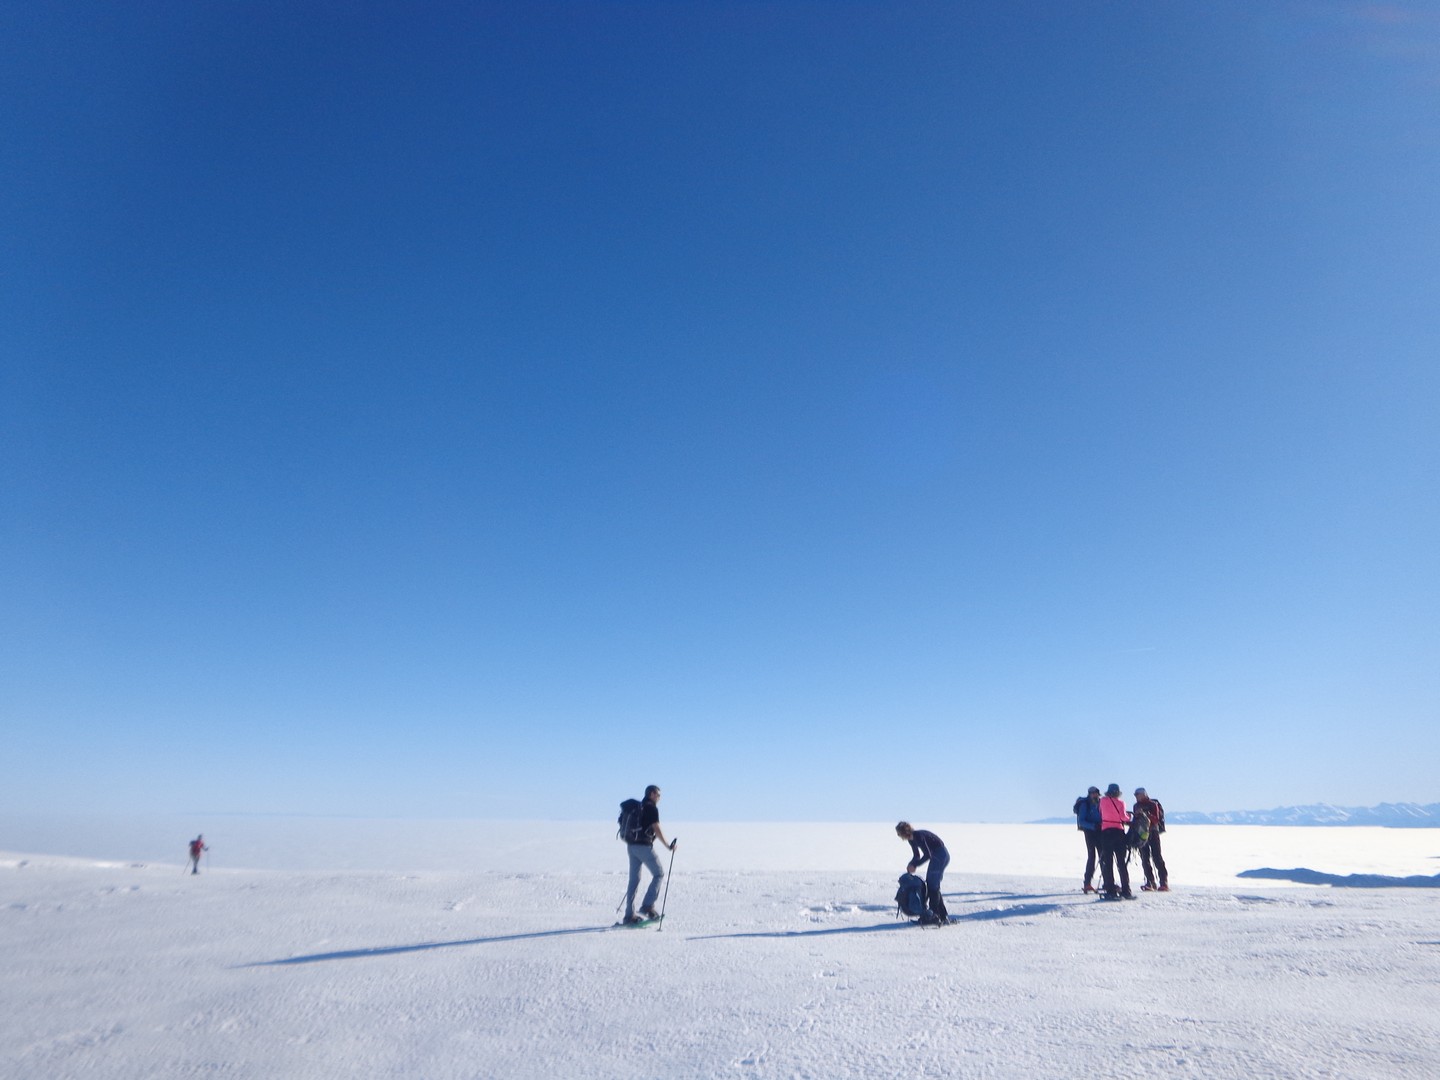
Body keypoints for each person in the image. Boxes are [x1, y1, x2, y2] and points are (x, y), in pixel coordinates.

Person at [623, 785, 675, 924]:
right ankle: (647, 906)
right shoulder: (651, 808)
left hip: (631, 846)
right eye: (658, 795)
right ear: (651, 794)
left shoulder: (638, 807)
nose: (659, 798)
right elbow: (656, 828)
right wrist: (668, 845)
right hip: (643, 847)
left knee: (634, 880)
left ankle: (629, 915)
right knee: (659, 874)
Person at [895, 822, 949, 924]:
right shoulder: (911, 840)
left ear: (904, 832)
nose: (899, 836)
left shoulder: (918, 836)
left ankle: (934, 916)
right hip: (937, 855)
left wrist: (915, 865)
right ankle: (941, 916)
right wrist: (911, 864)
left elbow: (928, 854)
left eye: (899, 834)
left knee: (932, 885)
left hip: (940, 855)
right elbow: (917, 855)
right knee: (932, 885)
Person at [1097, 784, 1134, 899]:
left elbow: (1100, 813)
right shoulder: (1121, 803)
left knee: (1108, 863)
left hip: (1106, 833)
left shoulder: (1102, 801)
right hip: (1119, 833)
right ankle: (1126, 890)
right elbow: (1124, 818)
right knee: (1121, 863)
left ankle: (1110, 890)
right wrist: (1129, 817)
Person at [1132, 787, 1169, 891]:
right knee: (1145, 857)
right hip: (1142, 833)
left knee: (1157, 856)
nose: (1136, 797)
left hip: (1153, 832)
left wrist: (1145, 814)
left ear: (1143, 794)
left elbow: (1156, 819)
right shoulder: (1136, 806)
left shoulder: (1153, 804)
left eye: (1137, 795)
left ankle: (1163, 882)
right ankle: (1150, 882)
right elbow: (1135, 820)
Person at [1073, 787, 1102, 893]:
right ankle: (1087, 883)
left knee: (1102, 856)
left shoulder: (1100, 803)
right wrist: (1094, 826)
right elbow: (1081, 821)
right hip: (1090, 832)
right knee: (1092, 856)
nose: (1094, 795)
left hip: (1099, 831)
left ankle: (1107, 882)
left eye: (1096, 793)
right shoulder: (1085, 804)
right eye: (1092, 793)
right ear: (1089, 794)